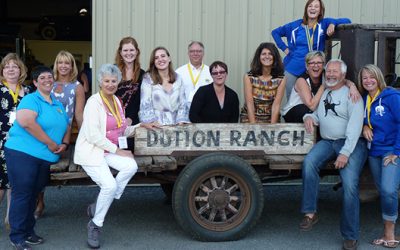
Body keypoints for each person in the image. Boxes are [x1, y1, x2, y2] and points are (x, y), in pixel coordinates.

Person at [300, 59, 367, 250]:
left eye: (334, 71)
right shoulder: (326, 92)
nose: (330, 74)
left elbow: (355, 127)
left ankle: (350, 235)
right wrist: (308, 117)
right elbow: (320, 116)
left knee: (350, 185)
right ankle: (310, 213)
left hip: (351, 144)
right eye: (328, 71)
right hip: (328, 141)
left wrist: (345, 153)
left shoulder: (352, 95)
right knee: (309, 163)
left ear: (343, 75)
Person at [4, 66, 70, 250]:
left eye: (50, 77)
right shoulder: (31, 99)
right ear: (35, 82)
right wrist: (50, 143)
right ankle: (17, 236)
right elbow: (26, 122)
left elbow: (66, 125)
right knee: (23, 193)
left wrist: (64, 144)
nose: (47, 80)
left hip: (44, 157)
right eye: (42, 78)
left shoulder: (57, 104)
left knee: (33, 194)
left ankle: (28, 232)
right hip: (22, 153)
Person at [74, 64, 138, 249]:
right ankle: (95, 224)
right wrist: (119, 151)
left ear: (118, 82)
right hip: (91, 151)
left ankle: (103, 202)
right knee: (109, 185)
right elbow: (93, 136)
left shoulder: (117, 101)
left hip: (107, 150)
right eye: (106, 81)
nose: (110, 84)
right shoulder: (94, 102)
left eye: (114, 81)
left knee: (131, 166)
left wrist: (141, 126)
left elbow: (122, 129)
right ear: (100, 82)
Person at [35, 50, 86, 219]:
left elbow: (78, 115)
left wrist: (85, 138)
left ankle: (38, 200)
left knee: (46, 164)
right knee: (36, 164)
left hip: (62, 135)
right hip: (43, 132)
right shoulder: (47, 83)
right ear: (55, 65)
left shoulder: (77, 87)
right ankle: (39, 201)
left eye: (67, 63)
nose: (63, 66)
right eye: (60, 62)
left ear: (72, 66)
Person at [271, 0, 351, 99]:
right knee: (292, 99)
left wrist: (333, 23)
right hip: (293, 68)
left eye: (316, 6)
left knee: (315, 98)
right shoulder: (295, 26)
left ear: (320, 11)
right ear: (306, 9)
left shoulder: (323, 23)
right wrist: (285, 48)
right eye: (310, 6)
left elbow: (347, 20)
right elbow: (275, 32)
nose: (313, 8)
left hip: (314, 68)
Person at [359, 65, 400, 248]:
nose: (368, 80)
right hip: (374, 152)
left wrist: (396, 151)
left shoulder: (391, 97)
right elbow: (358, 118)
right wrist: (364, 126)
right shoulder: (364, 99)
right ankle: (388, 232)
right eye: (364, 78)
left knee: (389, 190)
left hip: (390, 151)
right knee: (384, 193)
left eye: (371, 77)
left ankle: (390, 234)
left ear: (378, 78)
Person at [0, 53, 31, 230]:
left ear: (21, 70)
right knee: (1, 184)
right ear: (2, 71)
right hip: (1, 142)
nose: (11, 69)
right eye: (7, 66)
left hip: (22, 143)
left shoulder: (27, 91)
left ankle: (10, 219)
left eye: (14, 66)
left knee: (15, 182)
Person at [139, 46, 190, 127]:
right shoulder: (148, 79)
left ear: (169, 59)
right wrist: (151, 122)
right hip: (156, 126)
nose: (160, 59)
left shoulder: (178, 78)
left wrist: (181, 121)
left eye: (163, 56)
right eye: (156, 58)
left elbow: (183, 103)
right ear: (154, 62)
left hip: (177, 126)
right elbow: (145, 103)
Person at [240, 42, 286, 124]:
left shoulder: (281, 78)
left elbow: (276, 105)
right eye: (263, 54)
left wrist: (272, 128)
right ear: (259, 57)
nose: (267, 56)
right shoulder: (249, 77)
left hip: (270, 119)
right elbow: (250, 104)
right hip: (249, 119)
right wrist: (253, 126)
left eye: (270, 54)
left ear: (274, 57)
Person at [114, 37, 145, 126]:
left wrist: (130, 118)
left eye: (132, 50)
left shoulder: (142, 74)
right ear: (120, 52)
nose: (129, 53)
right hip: (114, 119)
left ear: (137, 52)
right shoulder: (113, 71)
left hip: (133, 121)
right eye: (125, 50)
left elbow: (139, 100)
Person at [175, 41, 213, 109]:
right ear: (188, 53)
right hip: (184, 114)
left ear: (203, 53)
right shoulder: (179, 72)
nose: (195, 53)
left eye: (199, 51)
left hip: (205, 113)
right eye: (192, 51)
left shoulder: (210, 72)